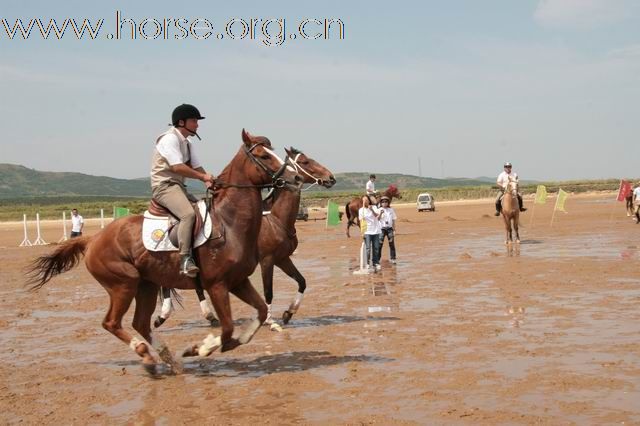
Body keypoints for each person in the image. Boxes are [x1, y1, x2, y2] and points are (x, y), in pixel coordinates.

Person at [150, 104, 216, 277]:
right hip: (164, 186)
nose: (197, 124)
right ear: (181, 122)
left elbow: (197, 166)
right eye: (194, 121)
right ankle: (185, 260)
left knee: (206, 210)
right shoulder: (169, 139)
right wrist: (203, 178)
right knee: (188, 215)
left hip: (178, 187)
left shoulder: (188, 142)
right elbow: (178, 167)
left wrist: (210, 182)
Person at [358, 196, 383, 271]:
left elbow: (377, 217)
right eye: (363, 200)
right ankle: (368, 263)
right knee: (368, 248)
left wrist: (371, 210)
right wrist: (362, 232)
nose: (365, 201)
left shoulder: (374, 207)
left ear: (369, 201)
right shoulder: (361, 210)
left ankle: (376, 263)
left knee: (376, 248)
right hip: (367, 231)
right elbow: (361, 221)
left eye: (366, 200)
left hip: (375, 231)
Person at [378, 196, 397, 264]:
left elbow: (393, 220)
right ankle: (377, 259)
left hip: (389, 229)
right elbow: (377, 219)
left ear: (388, 203)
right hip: (381, 229)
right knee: (380, 244)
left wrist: (394, 230)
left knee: (391, 244)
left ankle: (393, 258)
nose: (384, 203)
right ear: (381, 203)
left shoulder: (391, 210)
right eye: (383, 202)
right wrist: (380, 213)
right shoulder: (379, 209)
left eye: (386, 202)